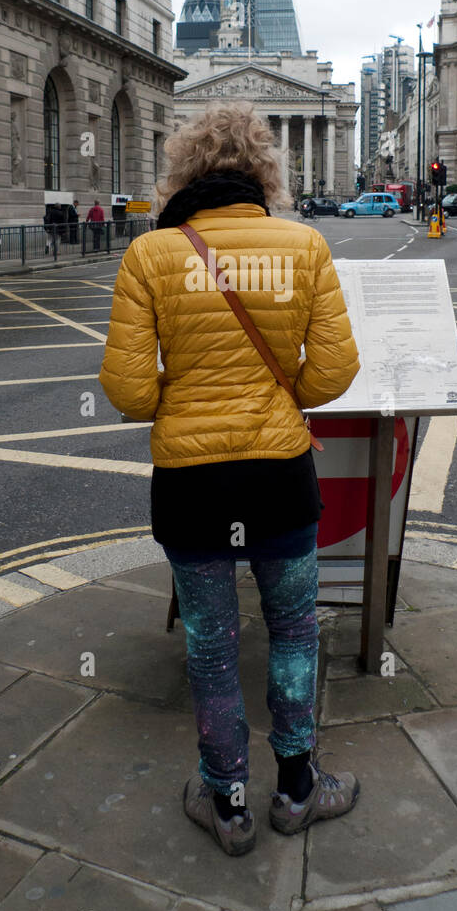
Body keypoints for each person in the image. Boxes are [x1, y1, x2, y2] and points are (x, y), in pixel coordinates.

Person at [99, 102, 361, 858]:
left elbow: (128, 393)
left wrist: (178, 398)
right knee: (294, 633)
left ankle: (229, 802)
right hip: (279, 475)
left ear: (183, 168)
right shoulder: (303, 245)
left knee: (211, 650)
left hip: (190, 484)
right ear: (263, 169)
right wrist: (282, 396)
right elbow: (336, 372)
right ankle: (298, 789)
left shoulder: (150, 256)